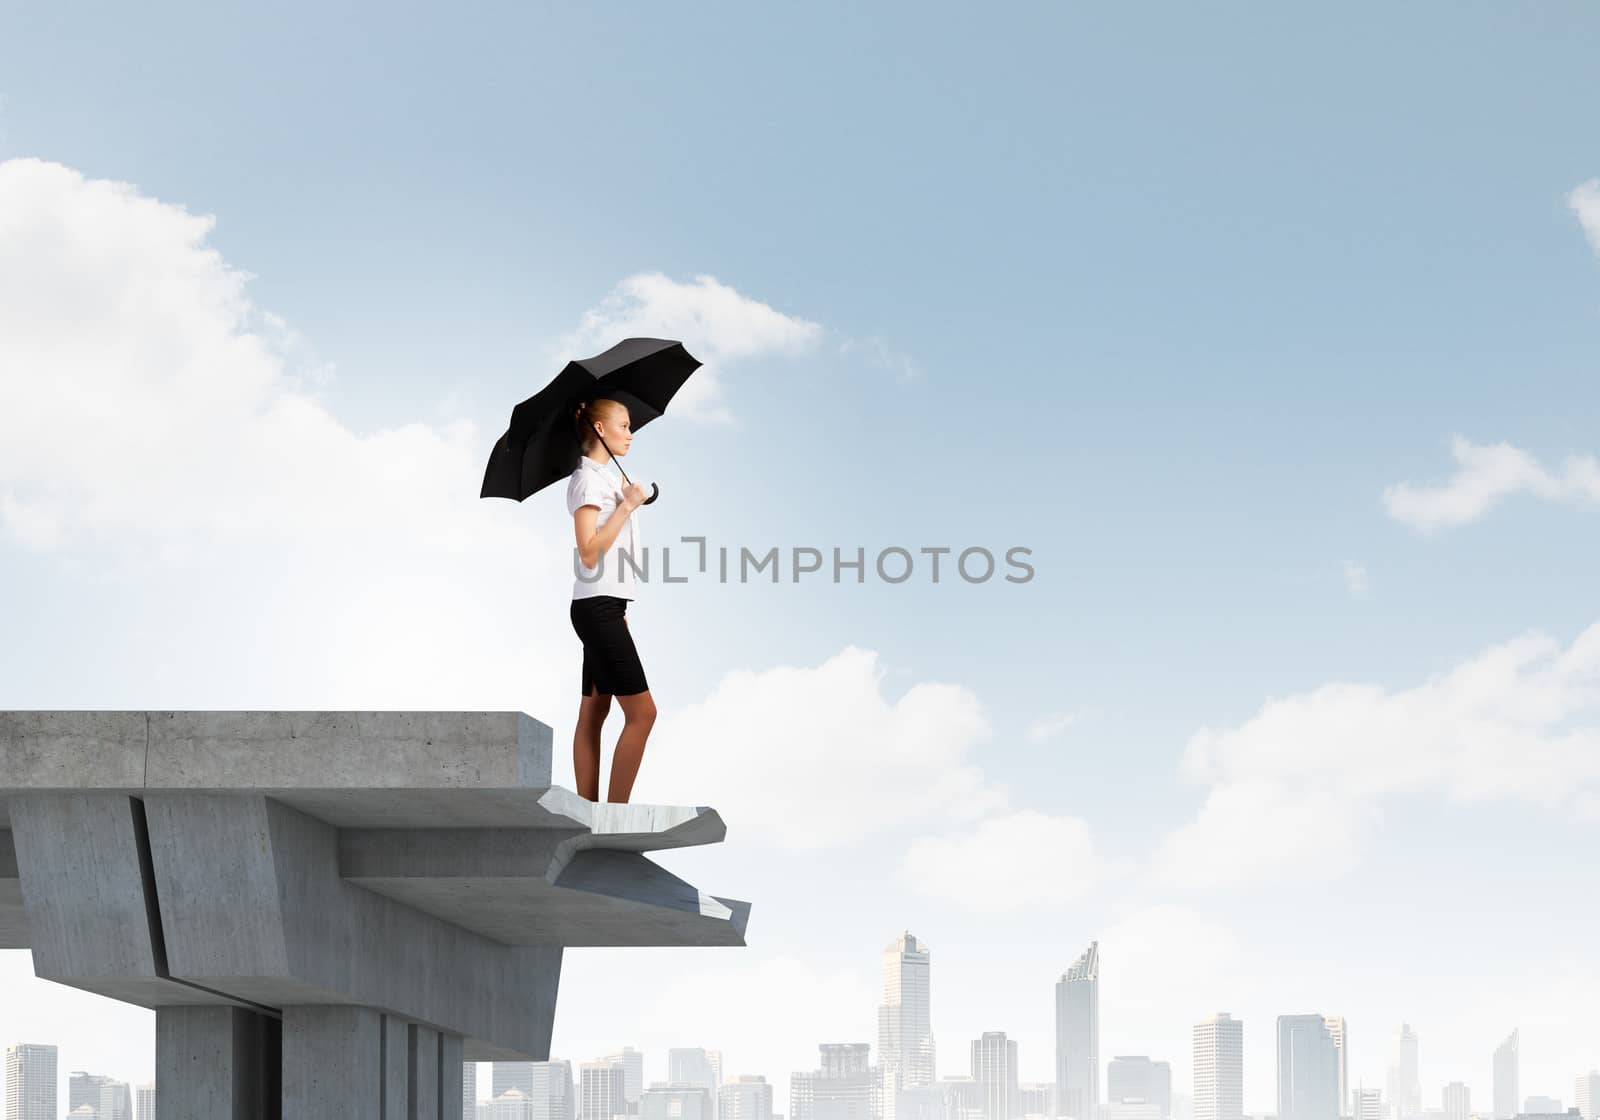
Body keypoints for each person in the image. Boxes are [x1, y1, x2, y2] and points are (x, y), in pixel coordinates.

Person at [566, 397, 656, 803]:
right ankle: (614, 818)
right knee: (643, 714)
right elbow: (588, 551)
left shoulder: (603, 478)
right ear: (599, 429)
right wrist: (627, 507)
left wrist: (626, 500)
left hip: (607, 606)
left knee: (594, 712)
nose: (630, 434)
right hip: (597, 607)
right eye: (623, 426)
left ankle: (587, 813)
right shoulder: (586, 480)